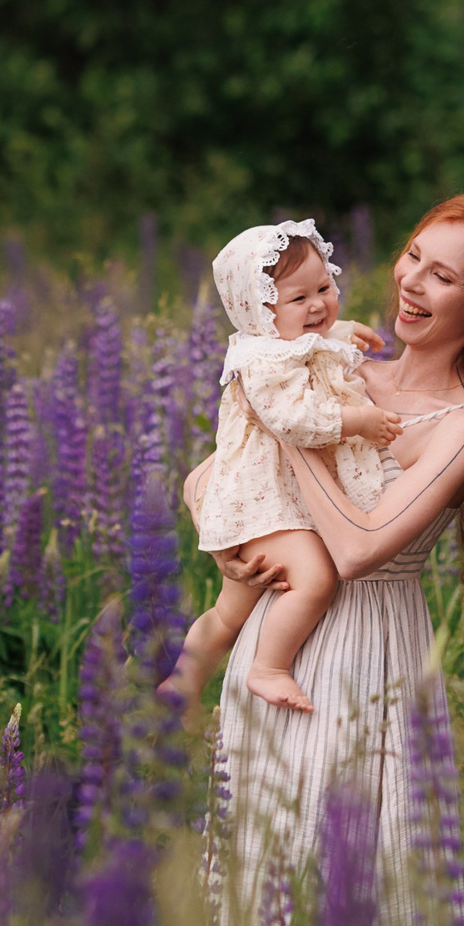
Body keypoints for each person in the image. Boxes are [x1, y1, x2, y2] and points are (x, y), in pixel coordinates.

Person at [186, 194, 464, 926]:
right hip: (277, 634)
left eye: (443, 275)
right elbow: (209, 478)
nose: (411, 282)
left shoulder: (463, 424)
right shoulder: (335, 364)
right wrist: (227, 542)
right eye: (413, 255)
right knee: (261, 861)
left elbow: (355, 546)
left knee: (355, 877)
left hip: (368, 657)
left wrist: (294, 432)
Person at [176, 221, 403, 715]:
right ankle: (269, 667)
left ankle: (182, 682)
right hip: (263, 505)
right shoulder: (262, 364)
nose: (319, 305)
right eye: (299, 299)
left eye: (324, 288)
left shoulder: (278, 343)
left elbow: (302, 341)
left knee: (228, 613)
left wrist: (338, 331)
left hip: (267, 500)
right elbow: (295, 419)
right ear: (257, 313)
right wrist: (358, 420)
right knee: (315, 578)